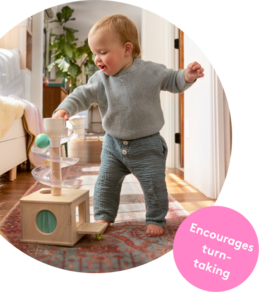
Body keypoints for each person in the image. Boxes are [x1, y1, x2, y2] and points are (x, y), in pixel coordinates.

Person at [53, 14, 204, 237]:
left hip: (147, 146)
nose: (97, 59)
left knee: (153, 185)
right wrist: (64, 108)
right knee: (105, 184)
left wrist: (188, 76)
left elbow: (173, 79)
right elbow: (80, 95)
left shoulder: (150, 71)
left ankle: (155, 218)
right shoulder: (99, 79)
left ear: (126, 49)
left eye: (103, 52)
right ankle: (104, 215)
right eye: (95, 53)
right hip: (113, 145)